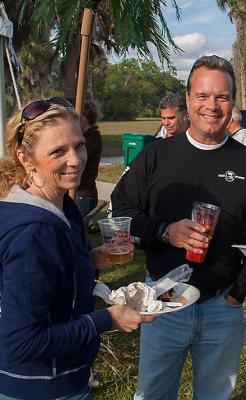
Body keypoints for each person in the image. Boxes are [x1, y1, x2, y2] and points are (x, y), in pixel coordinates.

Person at [111, 55, 246, 400]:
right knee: (153, 394)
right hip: (162, 302)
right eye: (202, 96)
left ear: (232, 102)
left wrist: (237, 294)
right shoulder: (157, 156)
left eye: (222, 97)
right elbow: (122, 209)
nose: (211, 106)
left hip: (221, 308)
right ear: (188, 99)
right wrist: (163, 231)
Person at [0, 98, 154, 400]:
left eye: (79, 145)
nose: (75, 160)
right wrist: (107, 319)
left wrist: (87, 260)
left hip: (69, 378)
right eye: (58, 151)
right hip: (39, 388)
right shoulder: (33, 232)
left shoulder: (64, 207)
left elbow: (53, 284)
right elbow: (21, 342)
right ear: (25, 159)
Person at [75, 101, 103, 222]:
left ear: (83, 119)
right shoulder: (84, 136)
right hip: (77, 193)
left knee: (77, 231)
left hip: (84, 194)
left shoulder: (92, 137)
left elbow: (78, 158)